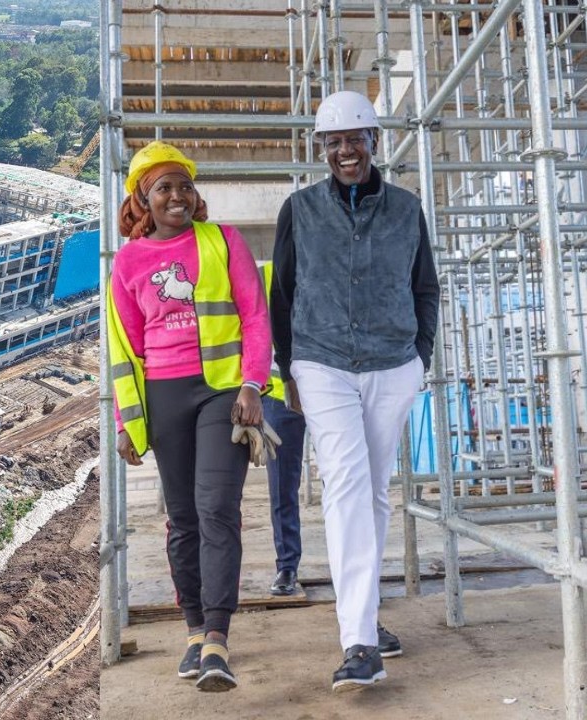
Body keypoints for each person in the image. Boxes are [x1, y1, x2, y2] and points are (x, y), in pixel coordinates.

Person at [270, 90, 439, 691]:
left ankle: (364, 612)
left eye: (356, 139)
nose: (346, 150)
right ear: (322, 148)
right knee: (345, 484)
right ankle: (359, 643)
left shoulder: (405, 208)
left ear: (374, 142)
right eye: (334, 142)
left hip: (393, 363)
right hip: (323, 363)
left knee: (373, 493)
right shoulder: (301, 209)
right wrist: (288, 368)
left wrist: (420, 356)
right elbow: (282, 294)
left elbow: (426, 287)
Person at [109, 141, 271, 692]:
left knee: (216, 509)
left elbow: (254, 315)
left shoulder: (223, 242)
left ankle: (219, 642)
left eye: (183, 185)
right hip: (164, 397)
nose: (176, 195)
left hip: (222, 393)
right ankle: (195, 631)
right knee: (182, 519)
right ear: (143, 199)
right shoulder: (128, 261)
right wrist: (126, 425)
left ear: (195, 193)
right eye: (163, 188)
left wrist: (253, 384)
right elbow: (124, 347)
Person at [257, 262, 308, 598]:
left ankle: (355, 572)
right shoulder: (263, 275)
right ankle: (287, 566)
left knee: (345, 483)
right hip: (280, 397)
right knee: (282, 487)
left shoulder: (327, 266)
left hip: (331, 389)